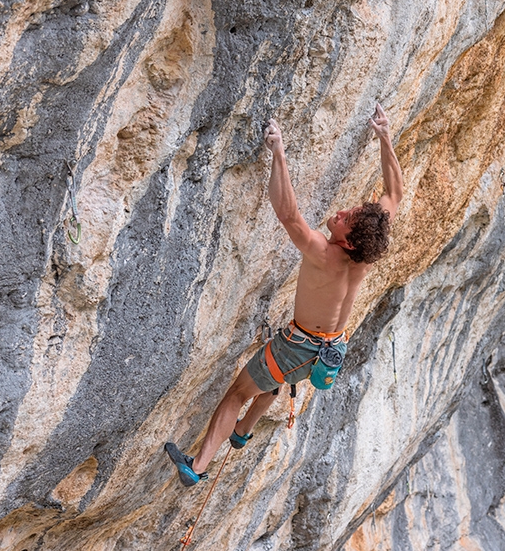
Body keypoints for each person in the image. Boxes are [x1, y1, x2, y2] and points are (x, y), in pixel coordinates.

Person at [165, 104, 403, 486]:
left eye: (344, 218)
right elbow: (395, 191)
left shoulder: (325, 254)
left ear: (348, 240)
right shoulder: (367, 253)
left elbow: (288, 215)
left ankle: (199, 465)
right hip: (328, 350)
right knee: (274, 379)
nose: (340, 212)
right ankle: (243, 431)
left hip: (299, 346)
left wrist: (278, 152)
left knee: (239, 391)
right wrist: (385, 137)